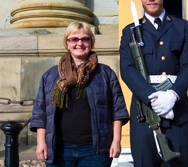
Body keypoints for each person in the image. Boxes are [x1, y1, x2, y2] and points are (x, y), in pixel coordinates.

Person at [119, 0, 188, 167]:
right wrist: (152, 97)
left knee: (178, 162)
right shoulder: (130, 31)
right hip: (145, 111)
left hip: (176, 109)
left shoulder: (183, 27)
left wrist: (173, 95)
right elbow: (127, 69)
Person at [30, 22, 129, 167]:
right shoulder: (50, 76)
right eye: (74, 39)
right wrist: (41, 142)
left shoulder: (105, 73)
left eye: (85, 39)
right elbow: (41, 112)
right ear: (67, 43)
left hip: (95, 149)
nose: (80, 43)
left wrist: (116, 141)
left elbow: (118, 110)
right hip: (60, 149)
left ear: (91, 42)